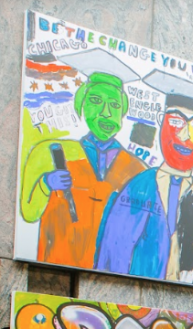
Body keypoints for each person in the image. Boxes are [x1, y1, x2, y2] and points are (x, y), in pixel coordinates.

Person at [96, 70, 193, 285]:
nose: (185, 136)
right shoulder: (137, 187)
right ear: (161, 123)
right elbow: (110, 257)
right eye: (176, 122)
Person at [19, 50, 146, 268]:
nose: (106, 113)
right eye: (96, 101)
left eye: (114, 105)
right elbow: (28, 213)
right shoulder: (49, 153)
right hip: (55, 268)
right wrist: (46, 184)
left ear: (123, 112)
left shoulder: (138, 171)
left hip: (110, 276)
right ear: (82, 103)